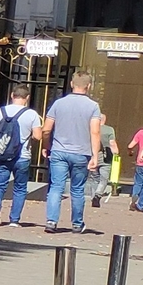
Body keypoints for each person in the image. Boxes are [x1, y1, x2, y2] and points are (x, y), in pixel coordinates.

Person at [39, 71, 104, 233]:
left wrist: (46, 146)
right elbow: (95, 132)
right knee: (77, 189)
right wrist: (95, 156)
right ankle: (77, 223)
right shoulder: (93, 106)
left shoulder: (58, 104)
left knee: (56, 187)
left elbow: (46, 130)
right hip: (81, 153)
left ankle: (51, 222)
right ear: (89, 86)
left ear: (71, 84)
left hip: (59, 151)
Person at [0, 86, 40, 226]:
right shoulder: (31, 114)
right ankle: (14, 220)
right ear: (27, 98)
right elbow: (38, 136)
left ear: (11, 95)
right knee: (20, 188)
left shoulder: (0, 111)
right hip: (22, 156)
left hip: (2, 154)